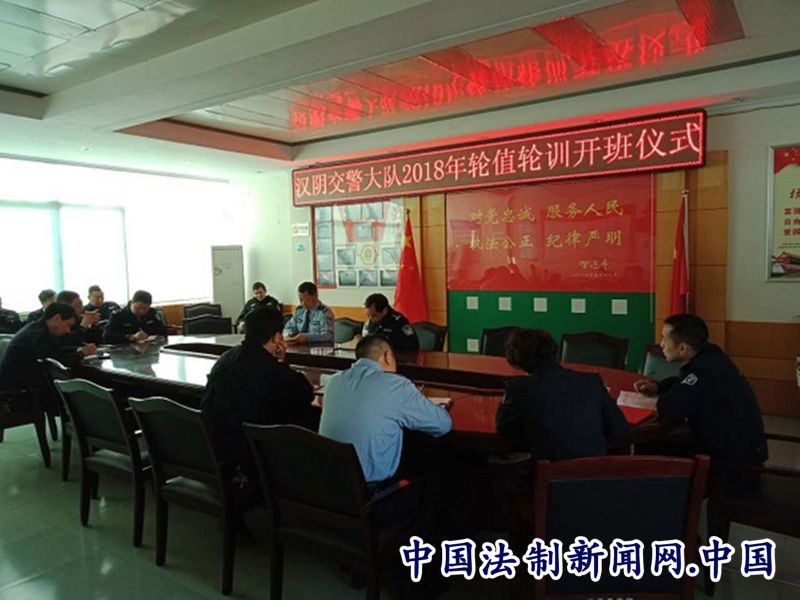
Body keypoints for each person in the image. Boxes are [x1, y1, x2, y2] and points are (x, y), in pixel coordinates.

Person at [633, 314, 768, 472]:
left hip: (731, 465)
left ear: (683, 348)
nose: (661, 344)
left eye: (664, 338)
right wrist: (659, 387)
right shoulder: (712, 355)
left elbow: (669, 407)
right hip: (741, 448)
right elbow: (684, 384)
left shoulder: (703, 371)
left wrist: (663, 396)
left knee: (648, 445)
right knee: (655, 443)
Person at [319, 335, 451, 484]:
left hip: (326, 484)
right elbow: (443, 425)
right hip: (370, 490)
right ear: (388, 356)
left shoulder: (333, 381)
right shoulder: (396, 385)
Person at [201, 307, 319, 459]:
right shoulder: (271, 369)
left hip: (216, 448)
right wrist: (281, 363)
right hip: (252, 453)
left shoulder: (226, 357)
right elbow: (306, 393)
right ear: (277, 338)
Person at [496, 328, 630, 459]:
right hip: (595, 470)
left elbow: (505, 429)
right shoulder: (592, 382)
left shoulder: (519, 388)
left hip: (548, 471)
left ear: (517, 360)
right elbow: (620, 433)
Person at [0, 302, 96, 390]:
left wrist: (77, 350)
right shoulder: (39, 336)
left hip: (20, 383)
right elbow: (57, 364)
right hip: (19, 391)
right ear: (57, 318)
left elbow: (56, 350)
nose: (68, 330)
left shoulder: (36, 328)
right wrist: (81, 353)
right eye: (68, 325)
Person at [103, 290, 168, 343]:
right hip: (125, 350)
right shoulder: (118, 315)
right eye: (138, 307)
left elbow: (162, 330)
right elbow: (107, 335)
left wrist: (152, 335)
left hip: (149, 347)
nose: (141, 311)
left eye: (145, 308)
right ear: (132, 302)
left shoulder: (151, 313)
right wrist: (130, 337)